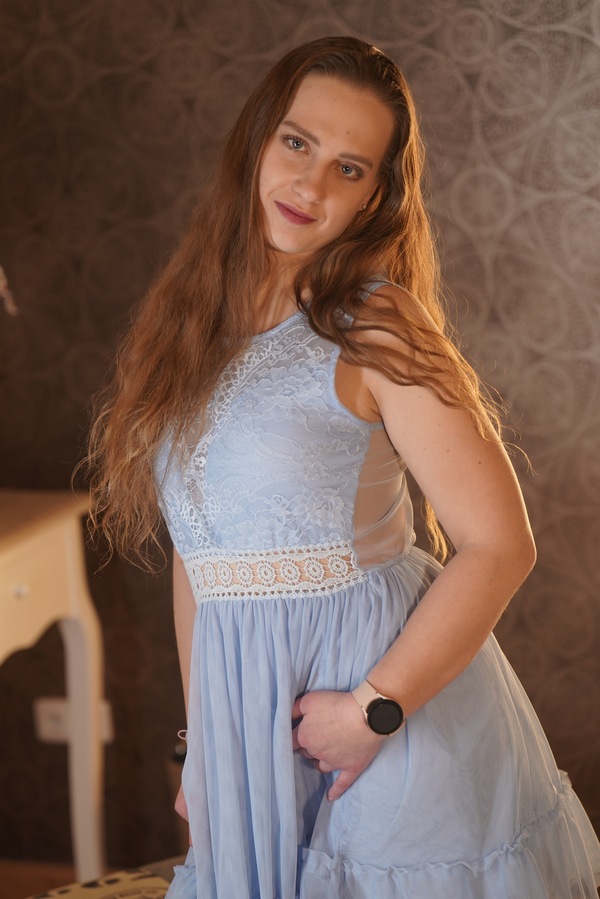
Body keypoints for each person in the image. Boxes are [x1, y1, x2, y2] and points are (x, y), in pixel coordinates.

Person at [86, 36, 600, 899]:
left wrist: (373, 710)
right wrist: (205, 742)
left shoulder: (376, 323)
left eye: (349, 168)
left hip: (381, 728)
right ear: (257, 139)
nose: (311, 184)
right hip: (253, 730)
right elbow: (201, 555)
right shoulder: (192, 321)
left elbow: (500, 544)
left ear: (374, 197)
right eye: (297, 142)